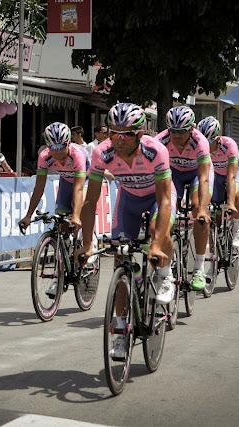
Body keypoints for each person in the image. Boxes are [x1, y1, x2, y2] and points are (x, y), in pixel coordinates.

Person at [75, 103, 176, 359]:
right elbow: (90, 200)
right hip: (129, 200)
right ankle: (120, 333)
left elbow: (165, 201)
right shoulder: (102, 153)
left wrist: (156, 243)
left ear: (140, 133)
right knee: (122, 260)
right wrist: (88, 244)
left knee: (158, 230)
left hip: (157, 198)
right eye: (113, 133)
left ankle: (164, 274)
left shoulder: (156, 151)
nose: (119, 140)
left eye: (126, 134)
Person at [18, 122, 90, 298]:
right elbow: (39, 188)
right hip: (66, 180)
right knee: (61, 222)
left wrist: (76, 216)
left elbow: (78, 190)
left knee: (78, 212)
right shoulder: (44, 156)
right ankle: (61, 274)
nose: (57, 151)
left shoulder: (77, 155)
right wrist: (28, 216)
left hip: (85, 179)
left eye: (61, 146)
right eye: (52, 147)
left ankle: (88, 247)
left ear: (68, 143)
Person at [155, 106, 213, 292]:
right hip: (174, 175)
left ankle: (198, 267)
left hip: (197, 175)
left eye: (181, 131)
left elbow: (204, 177)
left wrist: (203, 208)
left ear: (191, 129)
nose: (176, 136)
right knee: (165, 212)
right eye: (173, 131)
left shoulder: (200, 142)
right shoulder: (161, 140)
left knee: (198, 208)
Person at [197, 117, 239, 248]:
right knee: (215, 212)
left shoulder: (229, 145)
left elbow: (231, 177)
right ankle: (214, 257)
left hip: (234, 172)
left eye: (208, 143)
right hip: (217, 173)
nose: (205, 147)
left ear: (217, 140)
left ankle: (236, 228)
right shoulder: (199, 146)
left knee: (234, 195)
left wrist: (230, 203)